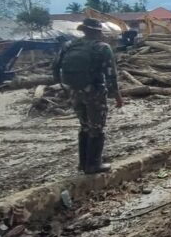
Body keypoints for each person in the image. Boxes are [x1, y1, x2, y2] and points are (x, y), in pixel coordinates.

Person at [53, 18, 124, 174]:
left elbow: (55, 67)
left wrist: (65, 86)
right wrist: (117, 96)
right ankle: (94, 165)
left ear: (84, 30)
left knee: (84, 126)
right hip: (94, 91)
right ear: (97, 32)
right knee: (97, 127)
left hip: (74, 91)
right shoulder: (102, 48)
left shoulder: (68, 45)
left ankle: (83, 163)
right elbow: (111, 74)